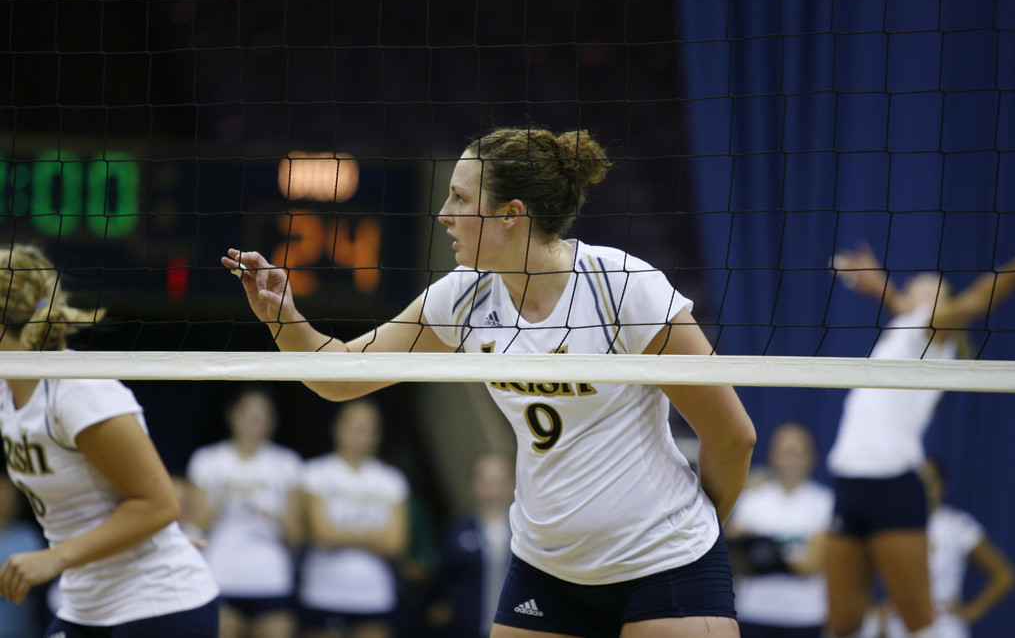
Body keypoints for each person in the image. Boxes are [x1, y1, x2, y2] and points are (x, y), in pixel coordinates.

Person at [223, 126, 756, 638]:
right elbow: (340, 378)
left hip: (665, 559)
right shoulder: (464, 297)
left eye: (459, 198)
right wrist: (283, 318)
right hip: (548, 567)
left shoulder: (622, 288)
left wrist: (696, 535)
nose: (443, 213)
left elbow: (733, 436)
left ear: (511, 214)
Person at [0, 243, 219, 637]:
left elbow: (160, 503)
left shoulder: (76, 391)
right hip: (87, 605)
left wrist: (54, 557)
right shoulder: (8, 390)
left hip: (157, 604)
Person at [826, 242, 1015, 638]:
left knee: (916, 621)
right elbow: (901, 306)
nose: (915, 283)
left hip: (891, 484)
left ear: (941, 303)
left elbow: (976, 301)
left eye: (929, 284)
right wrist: (878, 286)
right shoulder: (906, 328)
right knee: (843, 623)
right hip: (849, 480)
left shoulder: (933, 328)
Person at [186, 386, 305, 638]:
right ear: (232, 415)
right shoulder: (207, 460)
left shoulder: (287, 463)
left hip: (271, 578)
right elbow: (195, 528)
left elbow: (297, 537)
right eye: (247, 414)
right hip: (222, 575)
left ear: (272, 421)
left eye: (261, 415)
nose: (253, 421)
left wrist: (273, 516)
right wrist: (219, 501)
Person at [861, 457, 1015, 638]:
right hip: (897, 628)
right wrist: (876, 613)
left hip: (943, 628)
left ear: (942, 487)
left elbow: (1004, 575)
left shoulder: (958, 526)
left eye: (930, 482)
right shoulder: (886, 527)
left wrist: (972, 611)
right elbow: (856, 574)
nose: (923, 488)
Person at [298, 398, 410, 638]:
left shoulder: (391, 480)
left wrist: (342, 533)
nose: (362, 435)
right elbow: (322, 535)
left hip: (373, 594)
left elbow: (395, 543)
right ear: (337, 428)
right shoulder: (315, 473)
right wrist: (372, 536)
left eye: (369, 429)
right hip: (323, 591)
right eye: (356, 427)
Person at [727, 422, 834, 638]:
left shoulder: (824, 503)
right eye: (784, 452)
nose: (790, 461)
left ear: (810, 457)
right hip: (755, 611)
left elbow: (810, 565)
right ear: (772, 455)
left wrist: (763, 551)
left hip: (803, 614)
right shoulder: (751, 500)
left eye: (795, 453)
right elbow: (735, 559)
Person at [425, 452, 516, 638]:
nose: (493, 491)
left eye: (499, 482)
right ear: (474, 485)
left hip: (514, 627)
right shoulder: (457, 530)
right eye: (486, 482)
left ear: (512, 485)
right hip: (465, 627)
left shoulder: (525, 534)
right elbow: (442, 578)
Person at [0, 475, 47, 638]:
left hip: (23, 628)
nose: (3, 503)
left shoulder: (28, 535)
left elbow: (42, 576)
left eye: (7, 498)